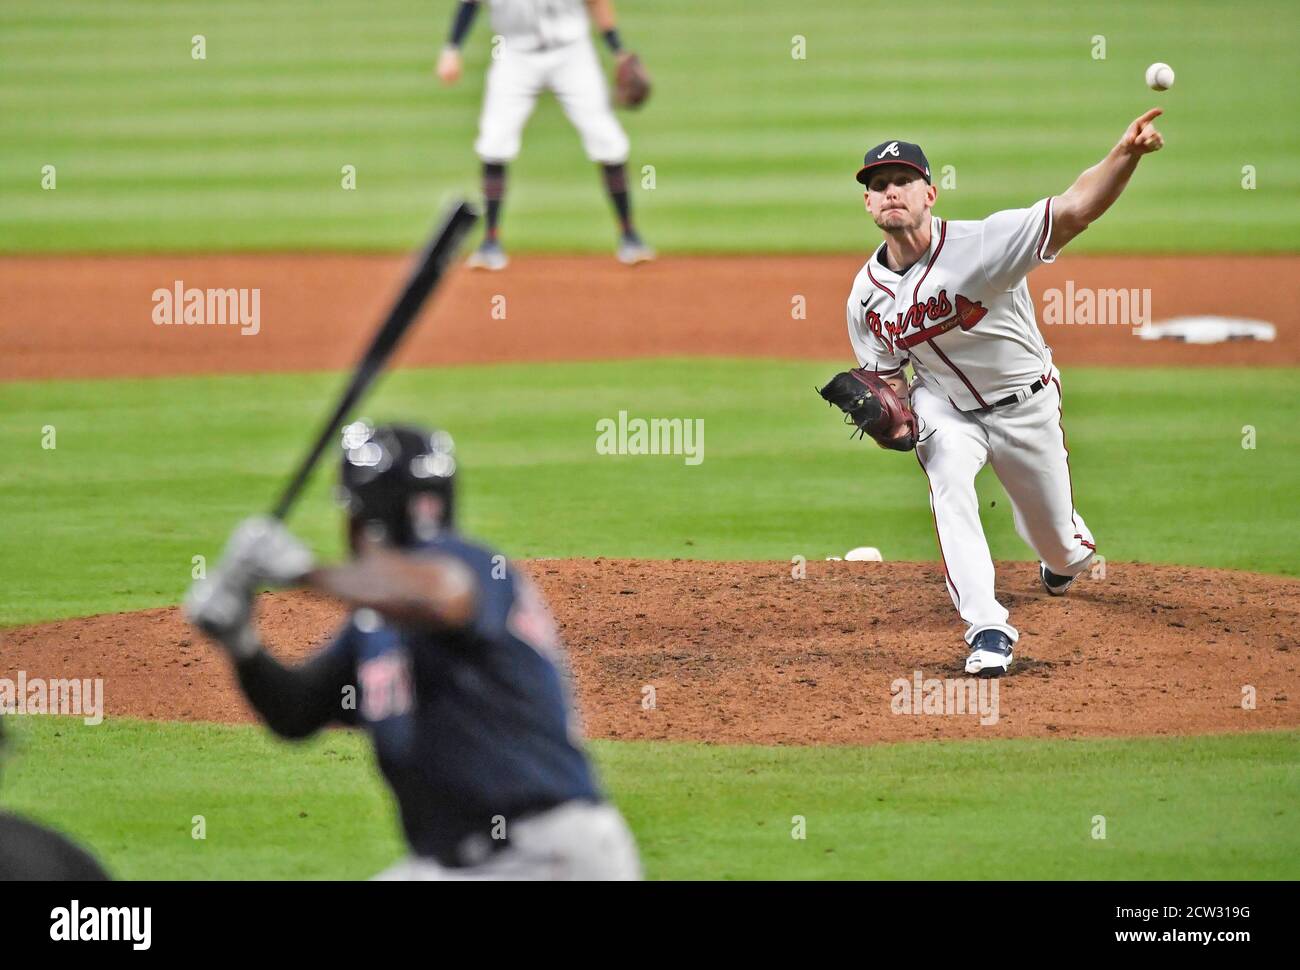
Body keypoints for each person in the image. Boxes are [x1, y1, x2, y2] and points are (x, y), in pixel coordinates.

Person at [184, 421, 641, 879]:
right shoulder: (376, 621)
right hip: (454, 863)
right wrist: (240, 643)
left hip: (545, 855)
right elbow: (297, 710)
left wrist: (306, 573)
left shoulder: (471, 567)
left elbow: (441, 597)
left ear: (363, 516)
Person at [840, 110, 1165, 676]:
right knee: (947, 477)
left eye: (902, 181)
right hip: (942, 405)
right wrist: (891, 421)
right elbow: (888, 379)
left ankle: (1063, 555)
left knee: (1059, 547)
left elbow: (1074, 208)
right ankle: (988, 626)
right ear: (868, 204)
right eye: (877, 186)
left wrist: (1126, 154)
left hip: (1026, 403)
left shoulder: (985, 244)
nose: (890, 192)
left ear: (930, 193)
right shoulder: (865, 298)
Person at [436, 0, 653, 269]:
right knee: (494, 141)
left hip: (572, 53)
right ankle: (491, 243)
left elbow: (596, 2)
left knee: (608, 140)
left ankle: (630, 236)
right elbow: (469, 3)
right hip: (514, 55)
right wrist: (452, 49)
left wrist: (617, 49)